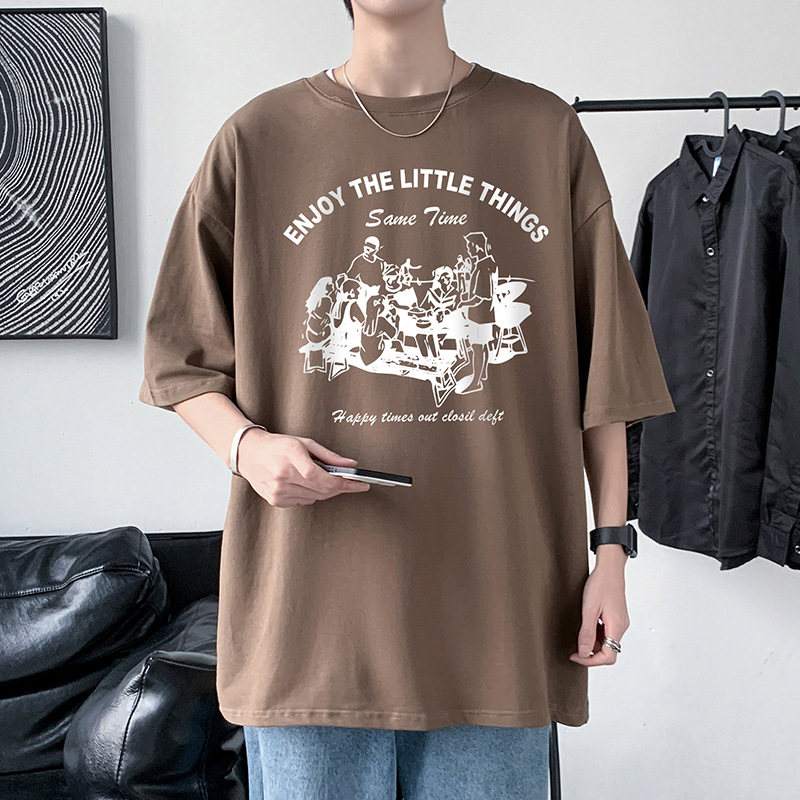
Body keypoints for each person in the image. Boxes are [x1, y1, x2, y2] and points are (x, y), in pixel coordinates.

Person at [138, 1, 676, 798]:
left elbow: (607, 377)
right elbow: (178, 358)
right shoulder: (258, 138)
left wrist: (611, 555)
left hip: (499, 617)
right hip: (310, 626)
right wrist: (246, 449)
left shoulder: (542, 132)